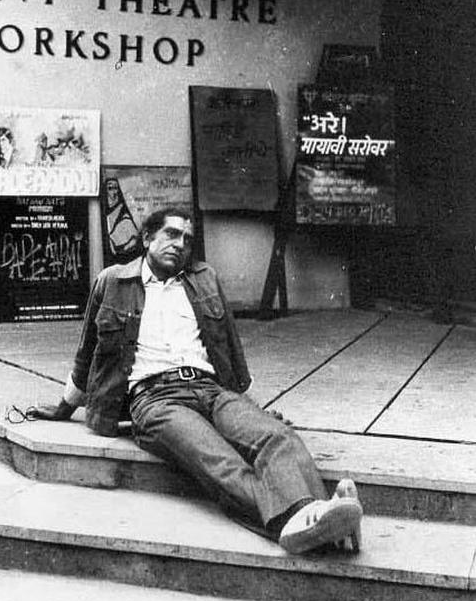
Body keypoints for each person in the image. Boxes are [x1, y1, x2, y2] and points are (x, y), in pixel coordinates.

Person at [28, 207, 362, 554]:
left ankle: (317, 517)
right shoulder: (112, 281)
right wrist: (65, 407)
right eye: (171, 234)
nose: (180, 244)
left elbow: (230, 348)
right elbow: (86, 355)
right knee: (216, 458)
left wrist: (257, 409)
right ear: (147, 238)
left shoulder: (204, 279)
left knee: (276, 436)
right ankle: (299, 518)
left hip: (211, 389)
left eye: (187, 239)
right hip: (155, 399)